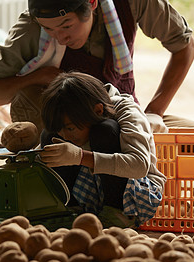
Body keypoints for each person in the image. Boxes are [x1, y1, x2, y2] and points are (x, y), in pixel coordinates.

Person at [0, 0, 194, 135]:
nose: (60, 37)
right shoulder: (32, 29)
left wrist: (154, 112)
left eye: (67, 25)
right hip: (71, 136)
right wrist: (36, 77)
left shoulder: (130, 4)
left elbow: (185, 46)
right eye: (50, 30)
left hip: (125, 115)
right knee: (30, 97)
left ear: (92, 4)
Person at [39, 71, 166, 227]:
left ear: (98, 111)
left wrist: (79, 157)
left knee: (105, 130)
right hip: (89, 188)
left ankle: (116, 212)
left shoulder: (127, 112)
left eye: (70, 129)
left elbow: (139, 166)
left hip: (136, 193)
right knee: (49, 136)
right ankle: (70, 208)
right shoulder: (75, 121)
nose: (65, 135)